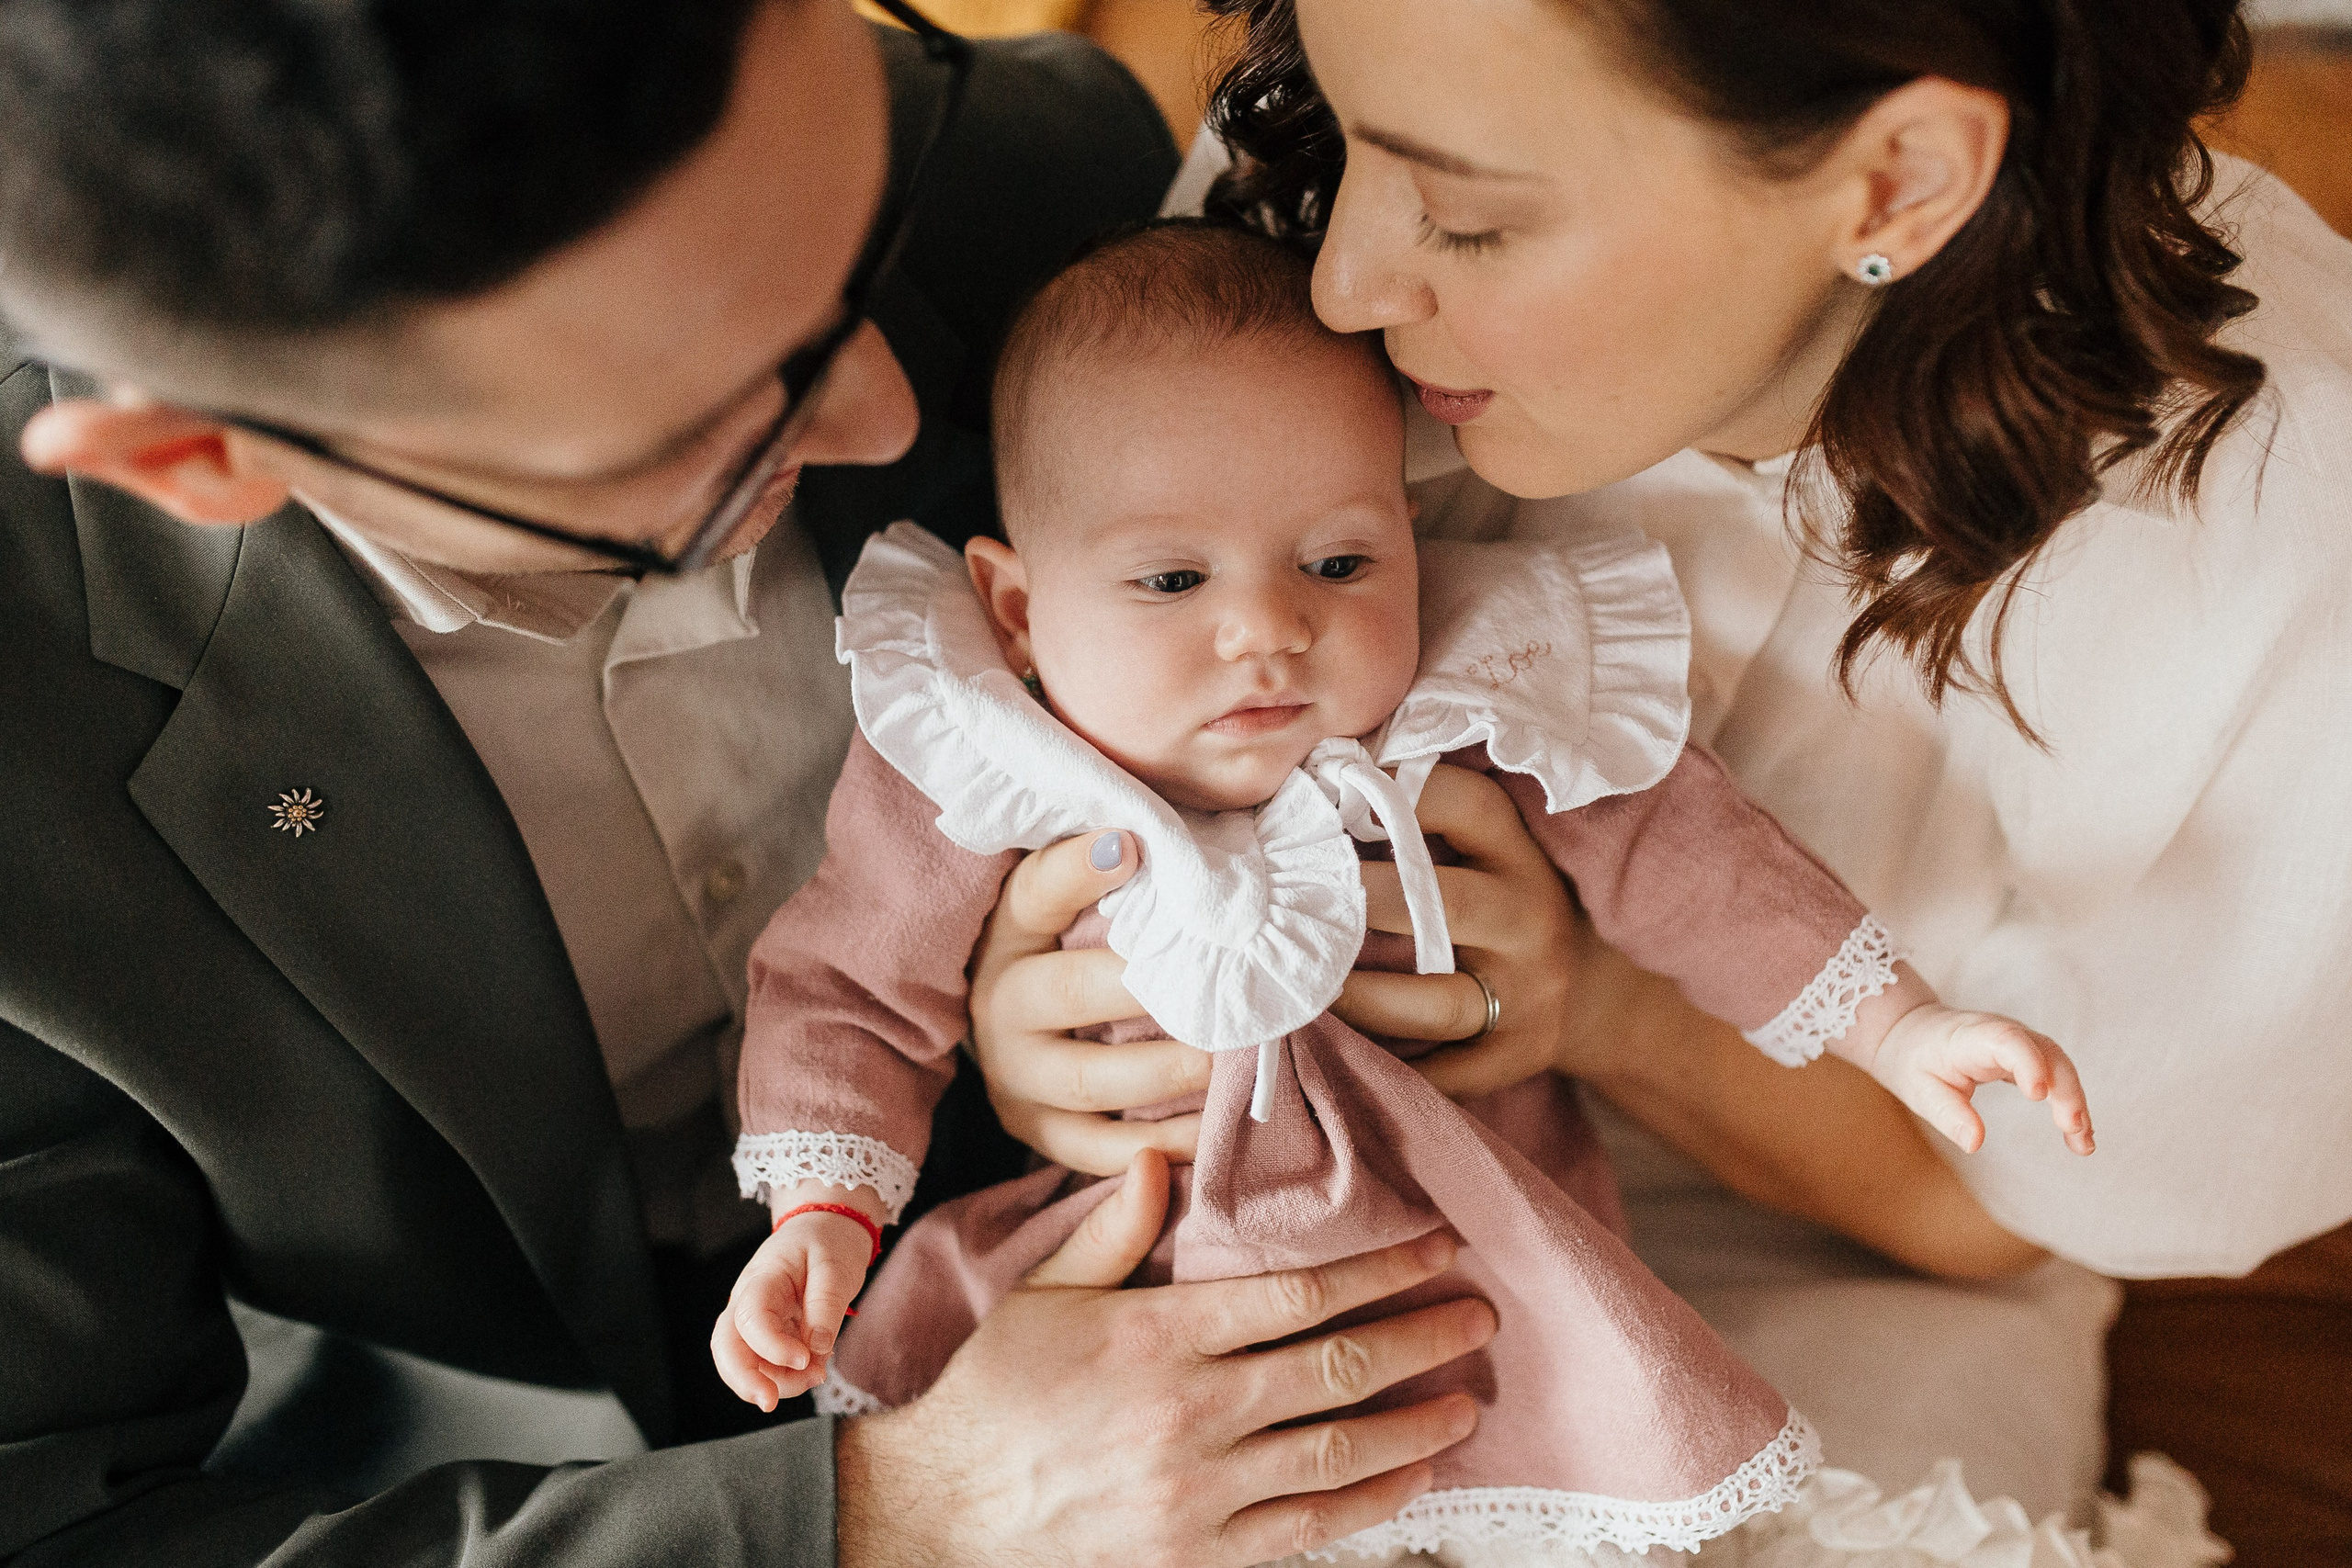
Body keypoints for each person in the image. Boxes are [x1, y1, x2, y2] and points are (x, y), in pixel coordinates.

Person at [0, 3, 1508, 1563]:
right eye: (710, 415)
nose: (894, 418)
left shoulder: (1025, 168)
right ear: (201, 461)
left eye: (858, 249)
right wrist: (901, 1511)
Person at [962, 0, 2352, 1552]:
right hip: (1277, 1178)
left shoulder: (2280, 559)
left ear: (1895, 183)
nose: (1345, 285)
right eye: (1351, 141)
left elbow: (1993, 1213)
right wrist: (1038, 1016)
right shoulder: (1357, 161)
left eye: (1471, 219)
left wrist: (1607, 1013)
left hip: (1838, 1257)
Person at [712, 220, 2093, 1562]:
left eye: (1337, 562)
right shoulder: (986, 750)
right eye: (1173, 577)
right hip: (1132, 1290)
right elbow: (844, 979)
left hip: (1479, 1281)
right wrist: (821, 1215)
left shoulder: (1465, 711)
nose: (1268, 628)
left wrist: (1898, 1025)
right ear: (1018, 611)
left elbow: (1705, 863)